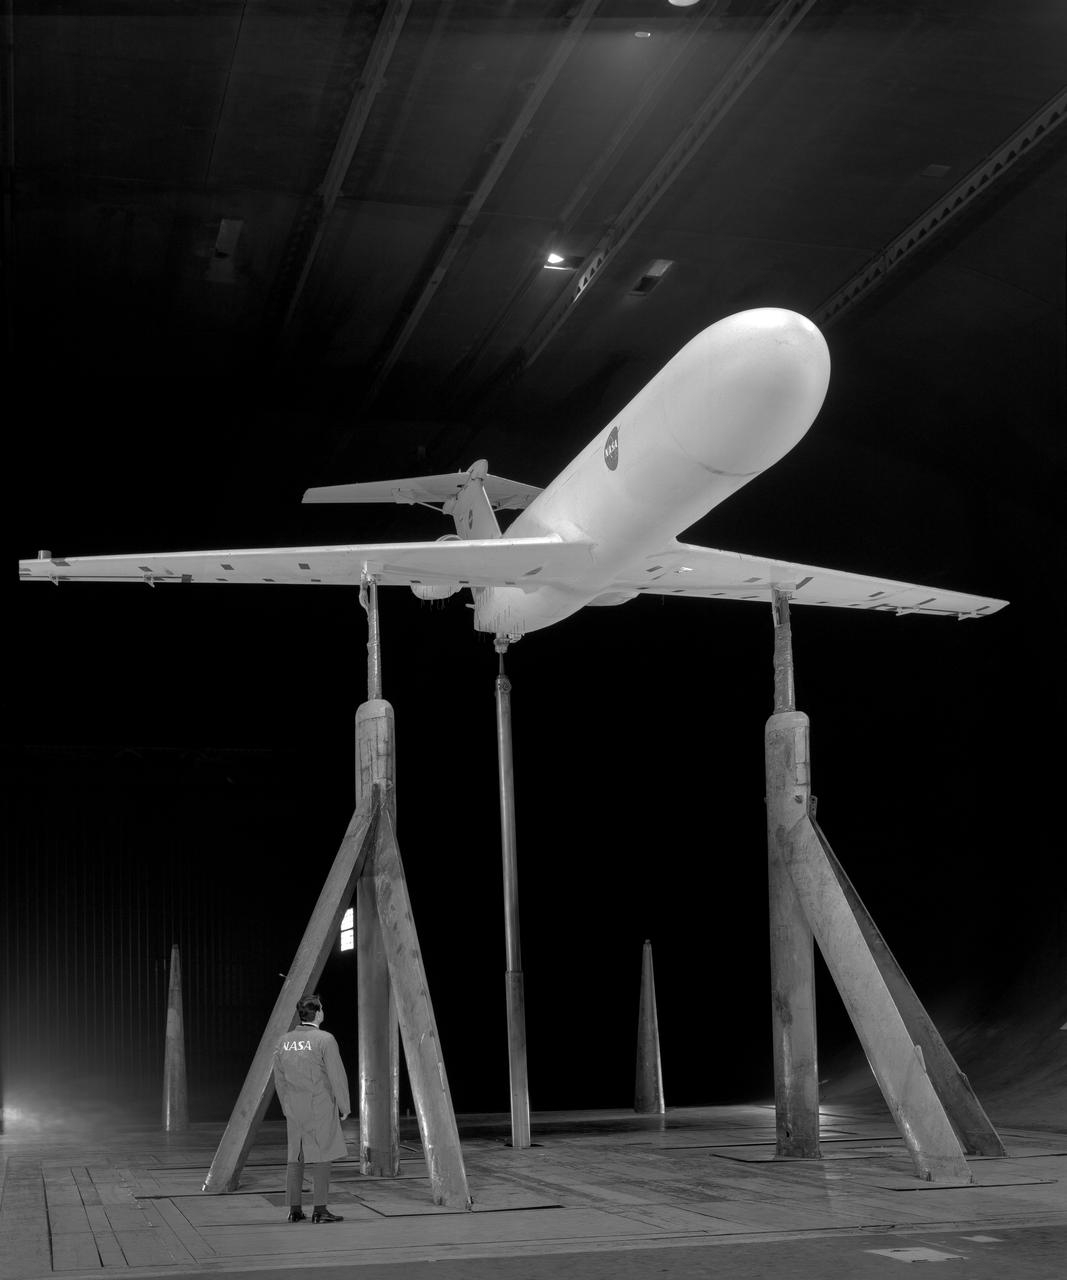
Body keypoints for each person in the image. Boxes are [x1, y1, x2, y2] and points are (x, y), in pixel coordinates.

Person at [272, 994, 351, 1223]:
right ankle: (320, 1209)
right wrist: (344, 1105)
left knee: (295, 1156)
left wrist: (286, 1105)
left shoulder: (283, 1041)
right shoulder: (325, 1039)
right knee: (322, 1155)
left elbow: (279, 1079)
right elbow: (337, 1076)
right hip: (320, 1105)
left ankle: (294, 1210)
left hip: (294, 1107)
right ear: (317, 1013)